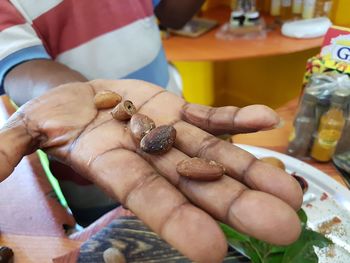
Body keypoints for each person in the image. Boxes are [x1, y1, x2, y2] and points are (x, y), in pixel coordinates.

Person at [0, 1, 303, 262]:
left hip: (167, 112)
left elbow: (173, 15)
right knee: (115, 236)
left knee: (197, 227)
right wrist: (70, 93)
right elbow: (20, 64)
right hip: (97, 164)